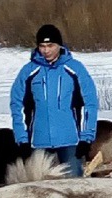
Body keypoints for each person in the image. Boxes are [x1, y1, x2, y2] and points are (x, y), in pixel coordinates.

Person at [9, 24, 98, 177]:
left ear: (59, 45)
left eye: (50, 45)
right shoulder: (29, 71)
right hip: (38, 142)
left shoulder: (75, 69)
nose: (46, 50)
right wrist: (21, 138)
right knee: (39, 190)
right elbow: (16, 104)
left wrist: (87, 137)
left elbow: (91, 103)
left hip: (70, 141)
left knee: (74, 189)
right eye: (42, 46)